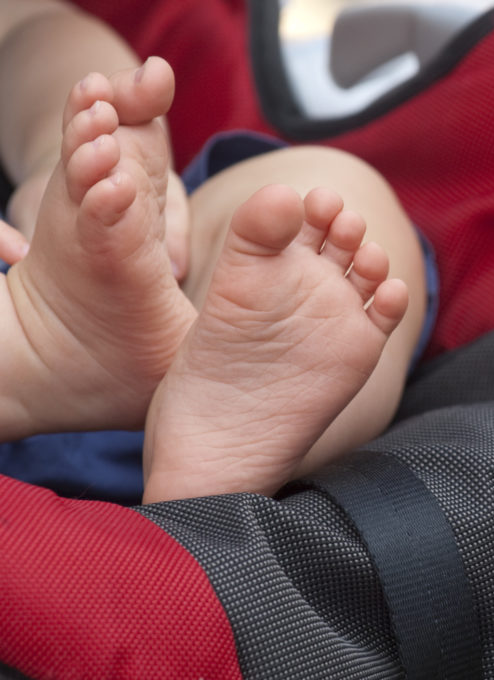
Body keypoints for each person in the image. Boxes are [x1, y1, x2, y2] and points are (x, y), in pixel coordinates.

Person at [0, 0, 430, 503]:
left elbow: (26, 36)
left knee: (332, 195)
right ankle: (33, 349)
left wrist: (61, 160)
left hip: (126, 306)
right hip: (30, 318)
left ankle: (228, 421)